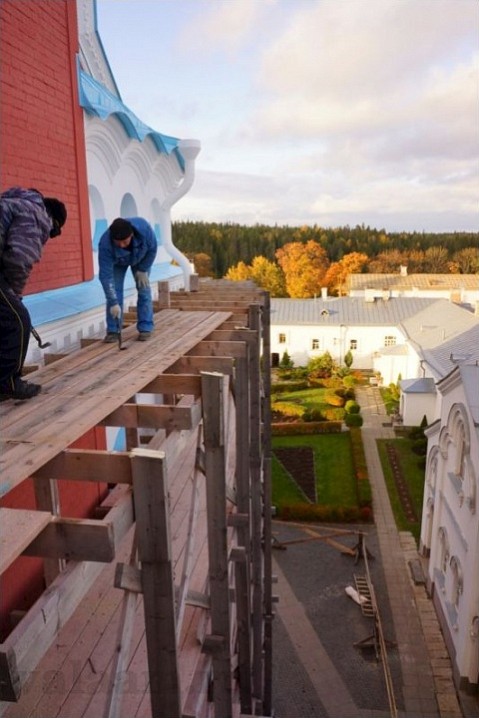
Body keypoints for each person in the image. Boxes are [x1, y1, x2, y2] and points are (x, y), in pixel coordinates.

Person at [0, 186, 67, 401]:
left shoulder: (16, 203)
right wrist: (15, 295)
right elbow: (19, 258)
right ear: (54, 222)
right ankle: (8, 382)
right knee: (18, 320)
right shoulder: (37, 215)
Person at [98, 217, 157, 342]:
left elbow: (152, 249)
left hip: (141, 260)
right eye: (117, 242)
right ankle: (114, 331)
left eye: (124, 242)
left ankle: (145, 327)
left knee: (144, 290)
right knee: (115, 292)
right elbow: (106, 276)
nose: (121, 245)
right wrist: (113, 302)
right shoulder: (105, 244)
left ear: (131, 235)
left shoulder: (144, 229)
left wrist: (143, 269)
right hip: (118, 262)